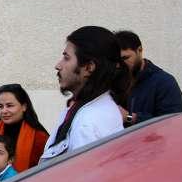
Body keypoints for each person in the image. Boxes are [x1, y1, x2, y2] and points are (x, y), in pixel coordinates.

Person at [40, 26, 131, 162]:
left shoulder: (87, 123)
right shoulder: (89, 107)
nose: (58, 65)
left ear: (89, 67)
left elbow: (79, 174)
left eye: (66, 58)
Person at [115, 30, 182, 126]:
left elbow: (171, 123)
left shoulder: (165, 82)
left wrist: (130, 117)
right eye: (116, 60)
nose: (119, 65)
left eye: (125, 58)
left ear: (139, 50)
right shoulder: (114, 79)